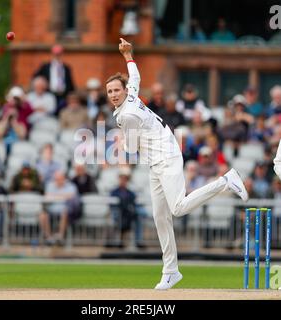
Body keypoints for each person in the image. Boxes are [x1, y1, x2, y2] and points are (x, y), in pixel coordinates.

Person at [106, 38, 248, 290]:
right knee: (160, 216)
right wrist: (128, 55)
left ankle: (226, 181)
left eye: (117, 90)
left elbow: (130, 149)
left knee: (178, 208)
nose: (113, 94)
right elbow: (135, 76)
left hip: (166, 155)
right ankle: (170, 270)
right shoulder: (133, 95)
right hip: (155, 159)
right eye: (110, 92)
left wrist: (120, 145)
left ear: (124, 91)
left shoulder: (127, 114)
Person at [33, 44, 75, 110]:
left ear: (62, 54)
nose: (57, 56)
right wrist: (43, 84)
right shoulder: (46, 66)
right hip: (49, 94)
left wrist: (70, 95)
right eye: (56, 54)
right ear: (52, 54)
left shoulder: (66, 68)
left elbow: (70, 84)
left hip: (63, 96)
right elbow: (35, 77)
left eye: (59, 54)